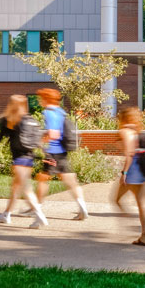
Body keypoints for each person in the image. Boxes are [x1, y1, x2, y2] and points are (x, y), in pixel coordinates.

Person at [32, 88, 89, 226]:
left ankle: (37, 212)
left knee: (42, 180)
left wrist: (40, 142)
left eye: (40, 98)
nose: (39, 101)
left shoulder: (48, 112)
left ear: (46, 99)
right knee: (70, 180)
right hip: (63, 152)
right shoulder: (60, 112)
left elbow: (54, 134)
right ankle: (82, 208)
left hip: (52, 152)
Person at [0, 94, 48, 227]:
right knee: (15, 188)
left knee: (26, 189)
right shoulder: (31, 119)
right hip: (29, 158)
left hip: (19, 159)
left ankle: (40, 217)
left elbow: (0, 136)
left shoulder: (12, 119)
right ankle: (6, 214)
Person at [113, 107, 145, 246]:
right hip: (142, 169)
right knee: (142, 203)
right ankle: (144, 236)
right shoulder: (137, 131)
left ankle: (131, 225)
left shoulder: (124, 131)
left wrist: (124, 173)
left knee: (116, 199)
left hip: (132, 170)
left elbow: (129, 153)